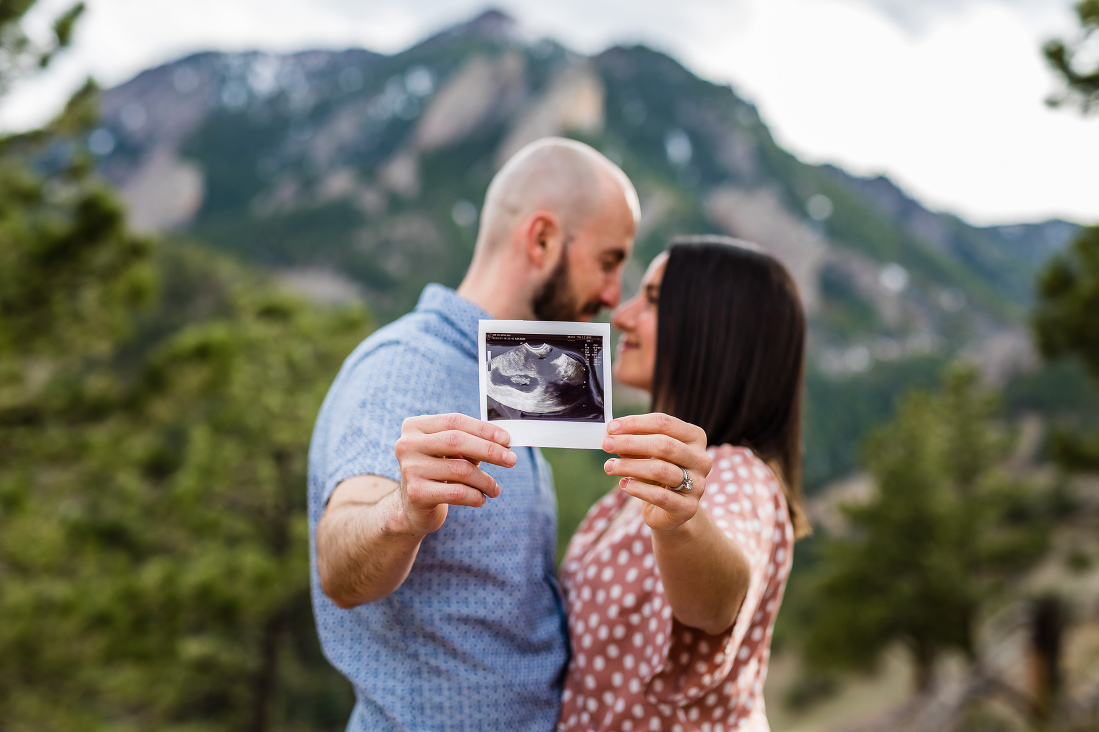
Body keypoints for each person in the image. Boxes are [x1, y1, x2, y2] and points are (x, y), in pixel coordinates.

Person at [307, 137, 639, 731]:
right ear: (541, 240)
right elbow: (337, 566)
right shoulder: (407, 365)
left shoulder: (524, 370)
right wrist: (402, 512)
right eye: (609, 262)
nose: (614, 297)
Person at [557, 236, 812, 732]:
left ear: (714, 331)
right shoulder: (670, 478)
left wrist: (682, 524)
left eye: (652, 301)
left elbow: (717, 604)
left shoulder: (736, 474)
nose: (622, 315)